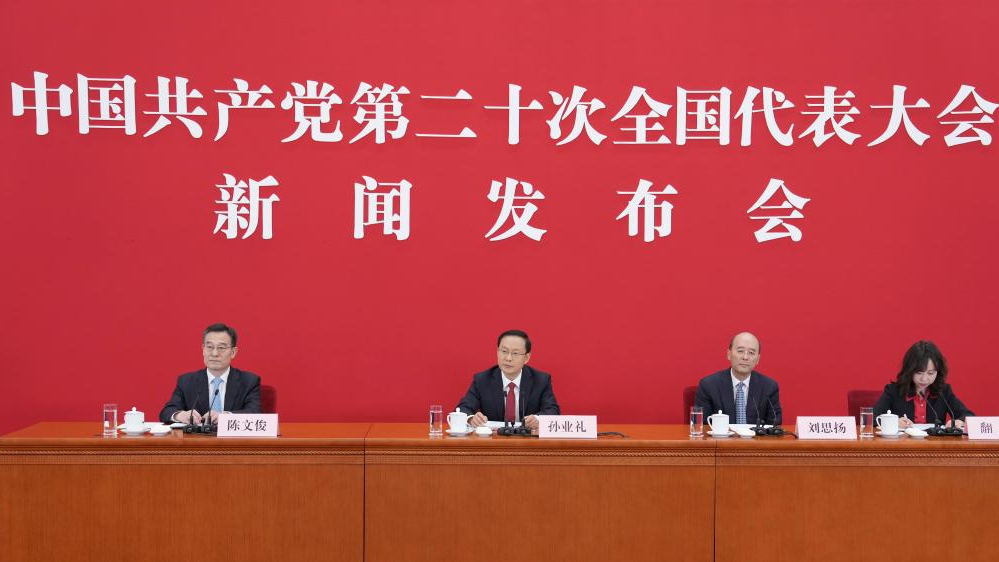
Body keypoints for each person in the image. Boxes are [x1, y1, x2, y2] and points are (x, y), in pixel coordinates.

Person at [457, 329, 560, 431]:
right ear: (497, 352)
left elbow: (553, 411)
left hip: (528, 442)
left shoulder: (540, 380)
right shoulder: (483, 380)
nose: (508, 358)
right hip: (494, 442)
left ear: (527, 357)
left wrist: (537, 419)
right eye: (504, 351)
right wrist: (470, 419)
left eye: (515, 353)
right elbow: (462, 409)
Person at [159, 323, 262, 424]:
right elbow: (166, 412)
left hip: (233, 440)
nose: (214, 353)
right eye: (209, 347)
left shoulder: (249, 381)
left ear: (233, 352)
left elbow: (255, 413)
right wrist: (179, 415)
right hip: (196, 440)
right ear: (203, 349)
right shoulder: (186, 381)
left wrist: (226, 417)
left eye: (221, 348)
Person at [873, 340, 974, 430]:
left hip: (935, 447)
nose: (924, 379)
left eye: (930, 373)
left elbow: (968, 415)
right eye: (919, 373)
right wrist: (894, 422)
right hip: (902, 447)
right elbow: (872, 417)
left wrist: (960, 421)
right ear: (909, 371)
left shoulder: (943, 391)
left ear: (938, 372)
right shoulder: (893, 391)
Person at [694, 332, 782, 425]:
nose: (745, 357)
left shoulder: (769, 387)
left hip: (756, 439)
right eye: (740, 351)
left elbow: (775, 424)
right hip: (721, 439)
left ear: (758, 359)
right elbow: (701, 425)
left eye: (751, 353)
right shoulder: (709, 385)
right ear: (729, 354)